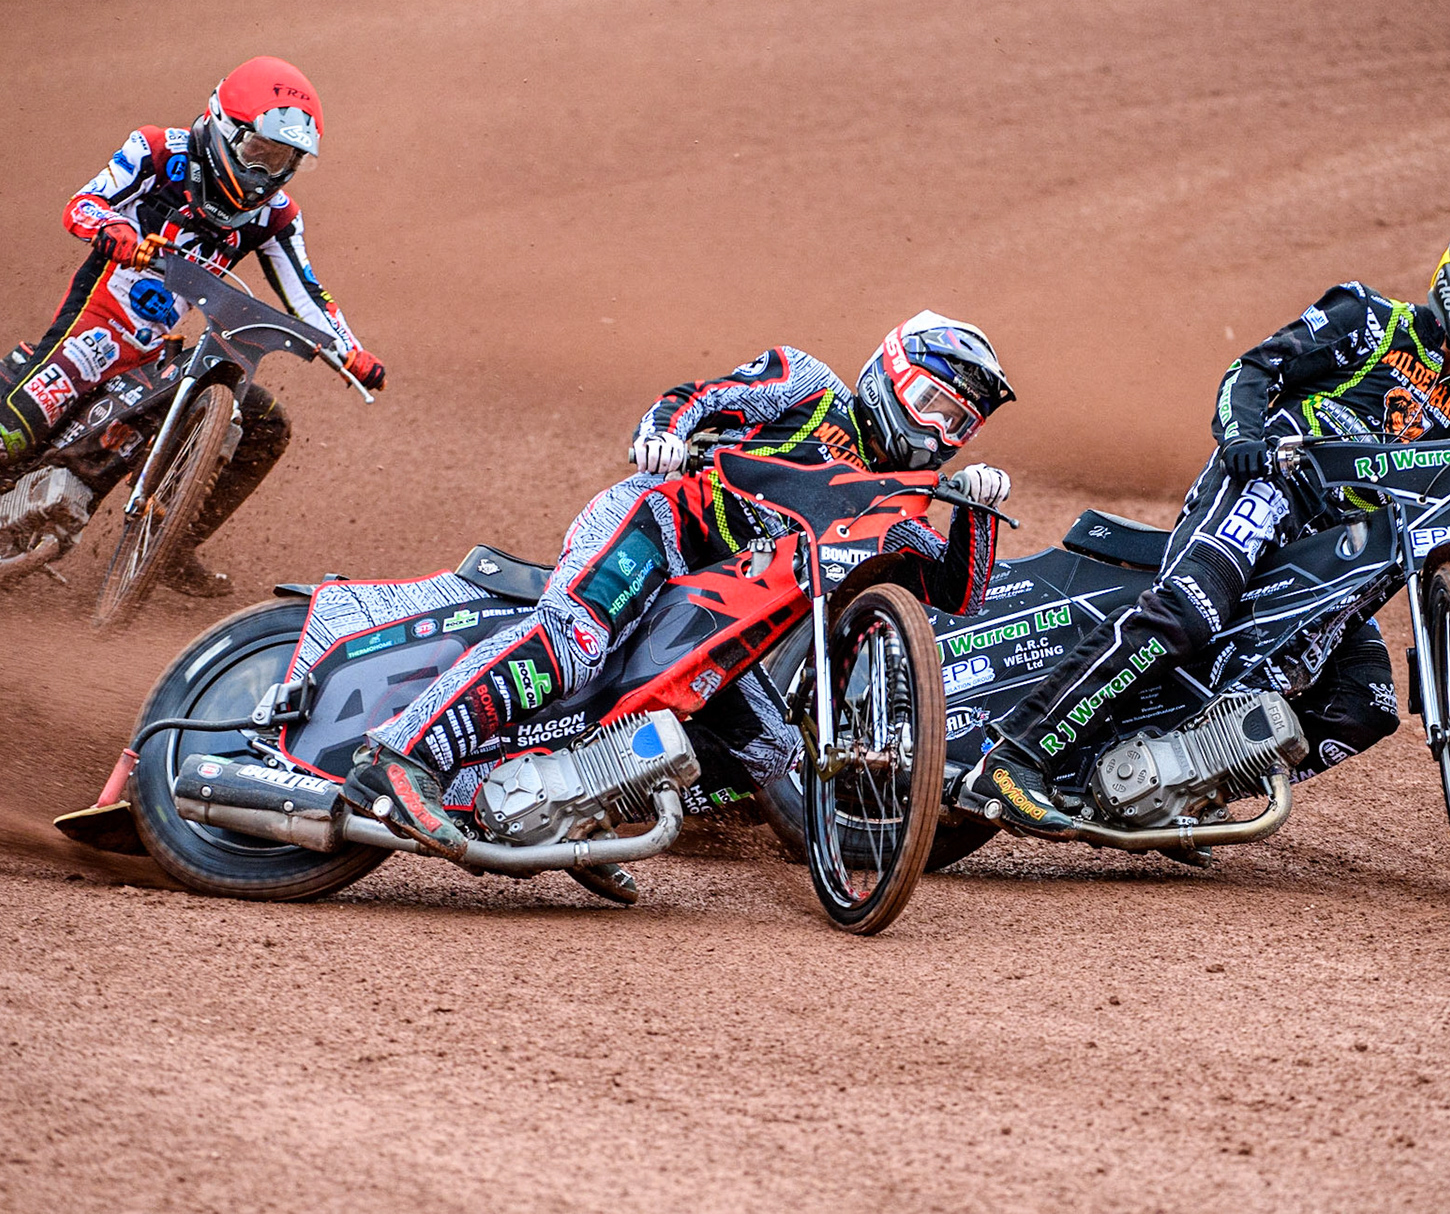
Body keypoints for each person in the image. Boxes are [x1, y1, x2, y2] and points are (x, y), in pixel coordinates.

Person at [979, 213, 1450, 828]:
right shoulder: (1370, 321)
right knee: (1189, 612)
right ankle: (1015, 756)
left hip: (1335, 563)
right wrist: (1241, 439)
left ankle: (1187, 786)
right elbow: (1253, 370)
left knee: (1366, 705)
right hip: (1266, 493)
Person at [348, 311, 1018, 861]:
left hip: (717, 611)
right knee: (575, 643)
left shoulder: (890, 508)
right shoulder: (810, 386)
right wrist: (663, 434)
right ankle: (402, 756)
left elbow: (955, 591)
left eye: (958, 424)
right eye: (932, 404)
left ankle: (579, 819)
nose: (937, 433)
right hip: (661, 522)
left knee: (774, 752)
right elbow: (701, 396)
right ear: (888, 374)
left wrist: (975, 516)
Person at [0, 57, 383, 596]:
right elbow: (82, 204)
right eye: (260, 154)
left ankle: (174, 547)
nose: (268, 175)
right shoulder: (157, 150)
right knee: (11, 434)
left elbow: (308, 292)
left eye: (286, 163)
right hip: (91, 334)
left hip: (155, 354)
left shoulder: (275, 214)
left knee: (266, 424)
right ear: (226, 128)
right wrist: (114, 230)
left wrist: (349, 352)